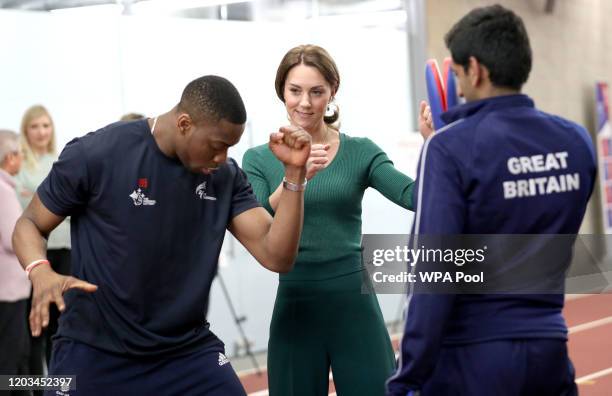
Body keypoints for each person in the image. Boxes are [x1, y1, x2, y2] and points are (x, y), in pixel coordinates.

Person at [12, 75, 311, 396]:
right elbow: (29, 223)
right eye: (217, 146)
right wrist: (39, 270)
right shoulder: (96, 154)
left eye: (229, 148)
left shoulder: (224, 177)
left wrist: (295, 175)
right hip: (95, 351)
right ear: (184, 124)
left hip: (185, 352)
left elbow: (277, 255)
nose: (222, 158)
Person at [387, 5, 596, 396]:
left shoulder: (447, 149)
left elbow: (435, 274)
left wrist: (408, 376)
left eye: (458, 75)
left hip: (471, 359)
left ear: (476, 69)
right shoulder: (576, 141)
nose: (458, 86)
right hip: (550, 348)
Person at [242, 44, 417, 396]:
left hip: (353, 303)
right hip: (296, 303)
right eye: (295, 91)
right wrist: (295, 177)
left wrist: (438, 147)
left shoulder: (360, 151)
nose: (304, 103)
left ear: (332, 92)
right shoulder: (258, 159)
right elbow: (259, 217)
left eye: (316, 92)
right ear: (282, 93)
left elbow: (413, 196)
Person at [14, 105, 71, 377]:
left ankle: (61, 386)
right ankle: (32, 388)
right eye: (35, 126)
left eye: (46, 126)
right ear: (26, 130)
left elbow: (70, 207)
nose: (41, 132)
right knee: (34, 327)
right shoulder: (17, 165)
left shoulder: (60, 161)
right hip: (31, 257)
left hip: (64, 252)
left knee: (61, 326)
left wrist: (33, 196)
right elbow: (19, 211)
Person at [0, 130, 31, 394]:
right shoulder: (4, 191)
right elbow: (13, 240)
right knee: (9, 358)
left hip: (6, 290)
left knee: (17, 356)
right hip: (9, 291)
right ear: (10, 158)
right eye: (20, 153)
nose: (21, 158)